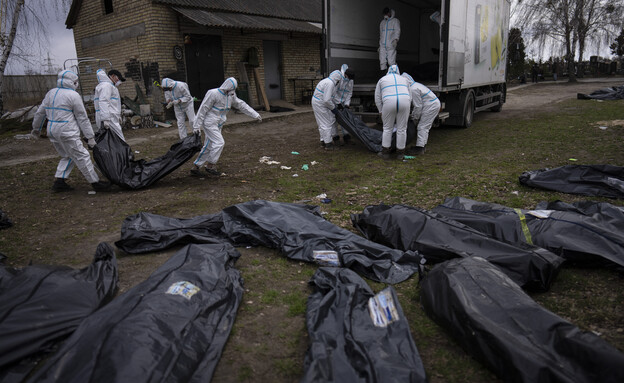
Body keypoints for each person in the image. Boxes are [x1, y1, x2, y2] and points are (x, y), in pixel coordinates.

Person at [31, 69, 111, 192]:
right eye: (76, 81)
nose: (77, 84)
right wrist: (90, 137)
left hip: (52, 130)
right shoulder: (73, 95)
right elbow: (82, 118)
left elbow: (40, 112)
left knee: (67, 155)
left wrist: (36, 128)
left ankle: (59, 181)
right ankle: (95, 182)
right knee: (82, 155)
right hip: (67, 131)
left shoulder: (51, 93)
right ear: (72, 82)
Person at [190, 77, 261, 176]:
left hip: (219, 122)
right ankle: (210, 165)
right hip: (210, 122)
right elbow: (203, 109)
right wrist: (196, 126)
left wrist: (254, 114)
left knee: (209, 144)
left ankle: (196, 166)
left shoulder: (230, 95)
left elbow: (241, 104)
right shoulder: (213, 93)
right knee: (219, 142)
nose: (232, 92)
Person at [374, 64, 411, 160]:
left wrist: (380, 110)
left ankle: (385, 152)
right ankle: (400, 154)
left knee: (387, 128)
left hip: (388, 102)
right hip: (404, 101)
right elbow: (410, 96)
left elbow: (377, 97)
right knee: (402, 129)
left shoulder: (382, 80)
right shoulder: (405, 79)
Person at [401, 72, 441, 155]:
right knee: (424, 126)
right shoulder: (415, 85)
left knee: (422, 126)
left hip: (431, 105)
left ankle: (420, 148)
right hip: (432, 104)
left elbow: (418, 106)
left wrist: (414, 118)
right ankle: (421, 145)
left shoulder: (413, 89)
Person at [312, 70, 342, 150]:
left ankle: (323, 141)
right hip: (320, 104)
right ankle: (328, 144)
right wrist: (333, 108)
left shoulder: (327, 81)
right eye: (338, 80)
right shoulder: (330, 83)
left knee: (322, 123)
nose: (338, 82)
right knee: (326, 123)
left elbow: (333, 96)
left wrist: (338, 103)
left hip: (318, 102)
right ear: (337, 79)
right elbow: (327, 100)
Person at [94, 69, 126, 141]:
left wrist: (118, 116)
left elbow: (113, 103)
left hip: (109, 116)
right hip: (109, 117)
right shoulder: (107, 86)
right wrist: (105, 119)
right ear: (113, 76)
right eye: (119, 79)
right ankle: (122, 152)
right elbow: (103, 101)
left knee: (110, 140)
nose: (119, 81)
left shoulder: (108, 86)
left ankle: (116, 152)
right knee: (119, 139)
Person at [330, 64, 355, 145]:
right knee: (333, 120)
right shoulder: (338, 78)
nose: (349, 80)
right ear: (346, 75)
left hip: (343, 102)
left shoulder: (350, 80)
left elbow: (349, 93)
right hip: (334, 102)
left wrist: (347, 104)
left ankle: (346, 137)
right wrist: (338, 103)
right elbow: (333, 93)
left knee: (345, 119)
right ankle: (335, 138)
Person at [379, 7, 400, 72]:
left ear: (389, 13)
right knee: (382, 60)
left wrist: (396, 40)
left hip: (391, 44)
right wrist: (380, 45)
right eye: (384, 14)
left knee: (391, 61)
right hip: (382, 45)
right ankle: (384, 76)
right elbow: (381, 34)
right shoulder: (382, 22)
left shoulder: (395, 21)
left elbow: (397, 31)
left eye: (387, 13)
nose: (385, 15)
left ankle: (395, 75)